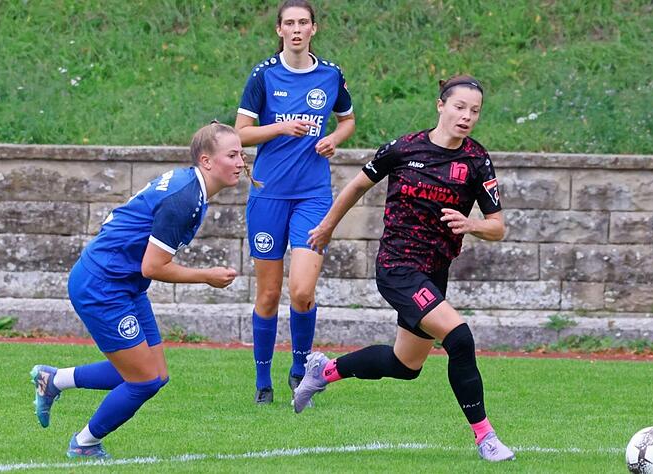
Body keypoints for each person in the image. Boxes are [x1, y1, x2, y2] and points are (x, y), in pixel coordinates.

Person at [294, 75, 516, 462]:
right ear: (441, 106)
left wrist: (474, 225)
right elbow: (356, 186)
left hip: (434, 273)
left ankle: (324, 371)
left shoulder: (476, 161)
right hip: (398, 267)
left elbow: (498, 226)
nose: (466, 116)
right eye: (460, 107)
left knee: (405, 365)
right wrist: (327, 226)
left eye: (475, 111)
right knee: (459, 338)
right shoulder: (404, 148)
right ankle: (486, 438)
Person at [30, 122, 250, 459]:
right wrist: (206, 276)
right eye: (232, 155)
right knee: (144, 380)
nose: (241, 162)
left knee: (156, 375)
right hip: (102, 286)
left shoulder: (191, 188)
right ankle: (84, 444)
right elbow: (154, 266)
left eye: (241, 154)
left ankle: (54, 379)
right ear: (207, 161)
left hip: (125, 285)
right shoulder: (185, 197)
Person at [234, 0, 355, 405]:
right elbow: (240, 134)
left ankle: (301, 370)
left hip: (313, 197)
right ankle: (262, 381)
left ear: (314, 29)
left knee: (301, 291)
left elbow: (348, 120)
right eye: (289, 23)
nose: (297, 29)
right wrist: (280, 128)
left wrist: (334, 140)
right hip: (268, 195)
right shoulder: (263, 75)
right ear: (279, 30)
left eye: (304, 22)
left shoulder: (330, 75)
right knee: (268, 295)